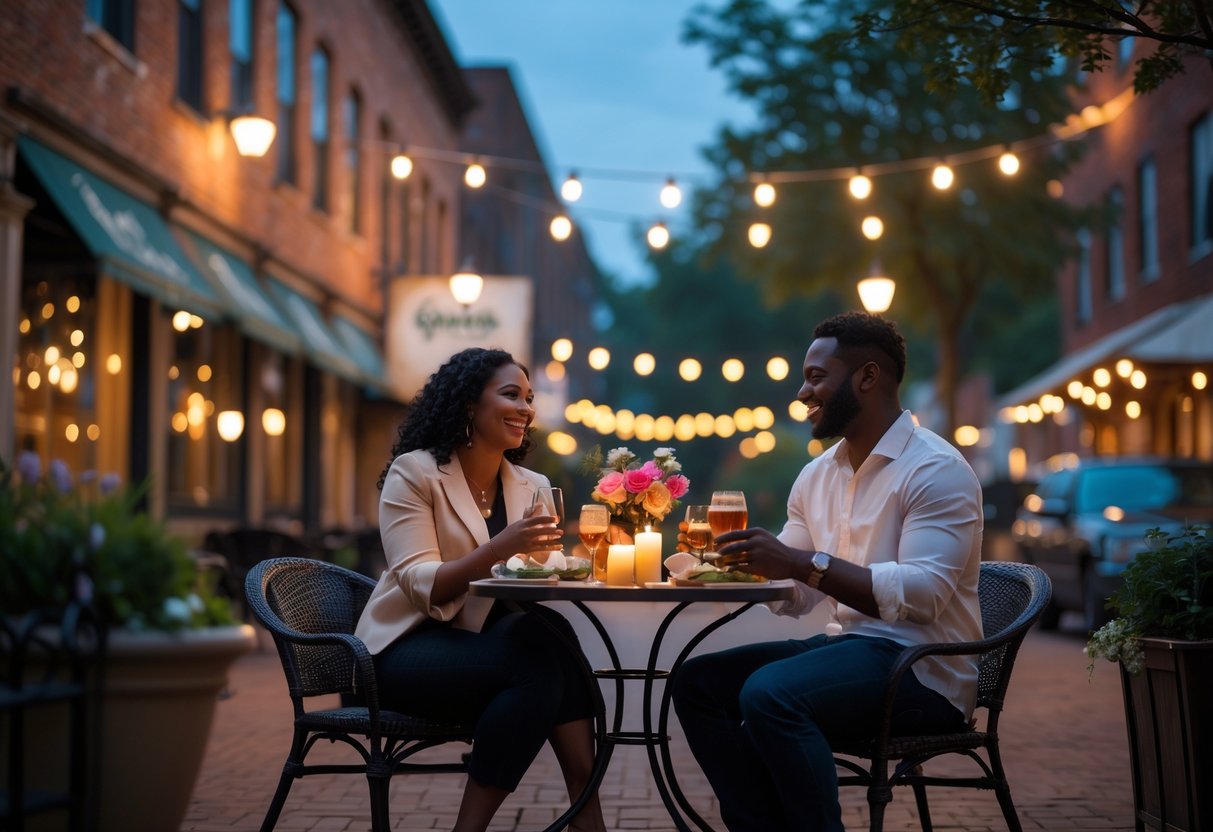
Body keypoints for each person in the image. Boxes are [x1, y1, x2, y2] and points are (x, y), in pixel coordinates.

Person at [672, 311, 984, 832]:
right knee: (698, 683)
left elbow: (924, 596)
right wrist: (731, 567)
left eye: (816, 377)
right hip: (850, 651)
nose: (801, 392)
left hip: (924, 670)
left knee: (770, 694)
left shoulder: (936, 470)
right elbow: (795, 589)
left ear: (867, 377)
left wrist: (800, 564)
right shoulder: (817, 476)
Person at [355, 347, 606, 832]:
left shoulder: (531, 485)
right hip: (406, 648)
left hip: (486, 650)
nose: (526, 408)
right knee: (539, 657)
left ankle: (580, 811)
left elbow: (536, 575)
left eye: (530, 398)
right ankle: (574, 817)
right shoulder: (417, 472)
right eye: (511, 395)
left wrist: (556, 567)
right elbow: (419, 582)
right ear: (470, 403)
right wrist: (501, 547)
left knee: (549, 637)